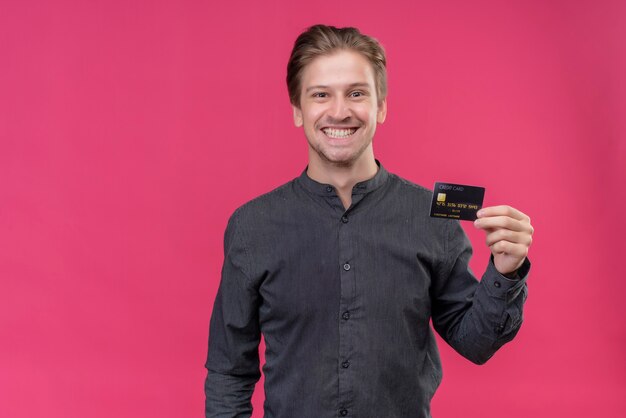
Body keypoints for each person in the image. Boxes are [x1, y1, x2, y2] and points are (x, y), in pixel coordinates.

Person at [204, 24, 534, 418]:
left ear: (381, 106)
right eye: (321, 94)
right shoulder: (251, 226)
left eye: (356, 93)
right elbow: (229, 371)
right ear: (297, 110)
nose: (340, 111)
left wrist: (506, 271)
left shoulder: (433, 218)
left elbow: (476, 343)